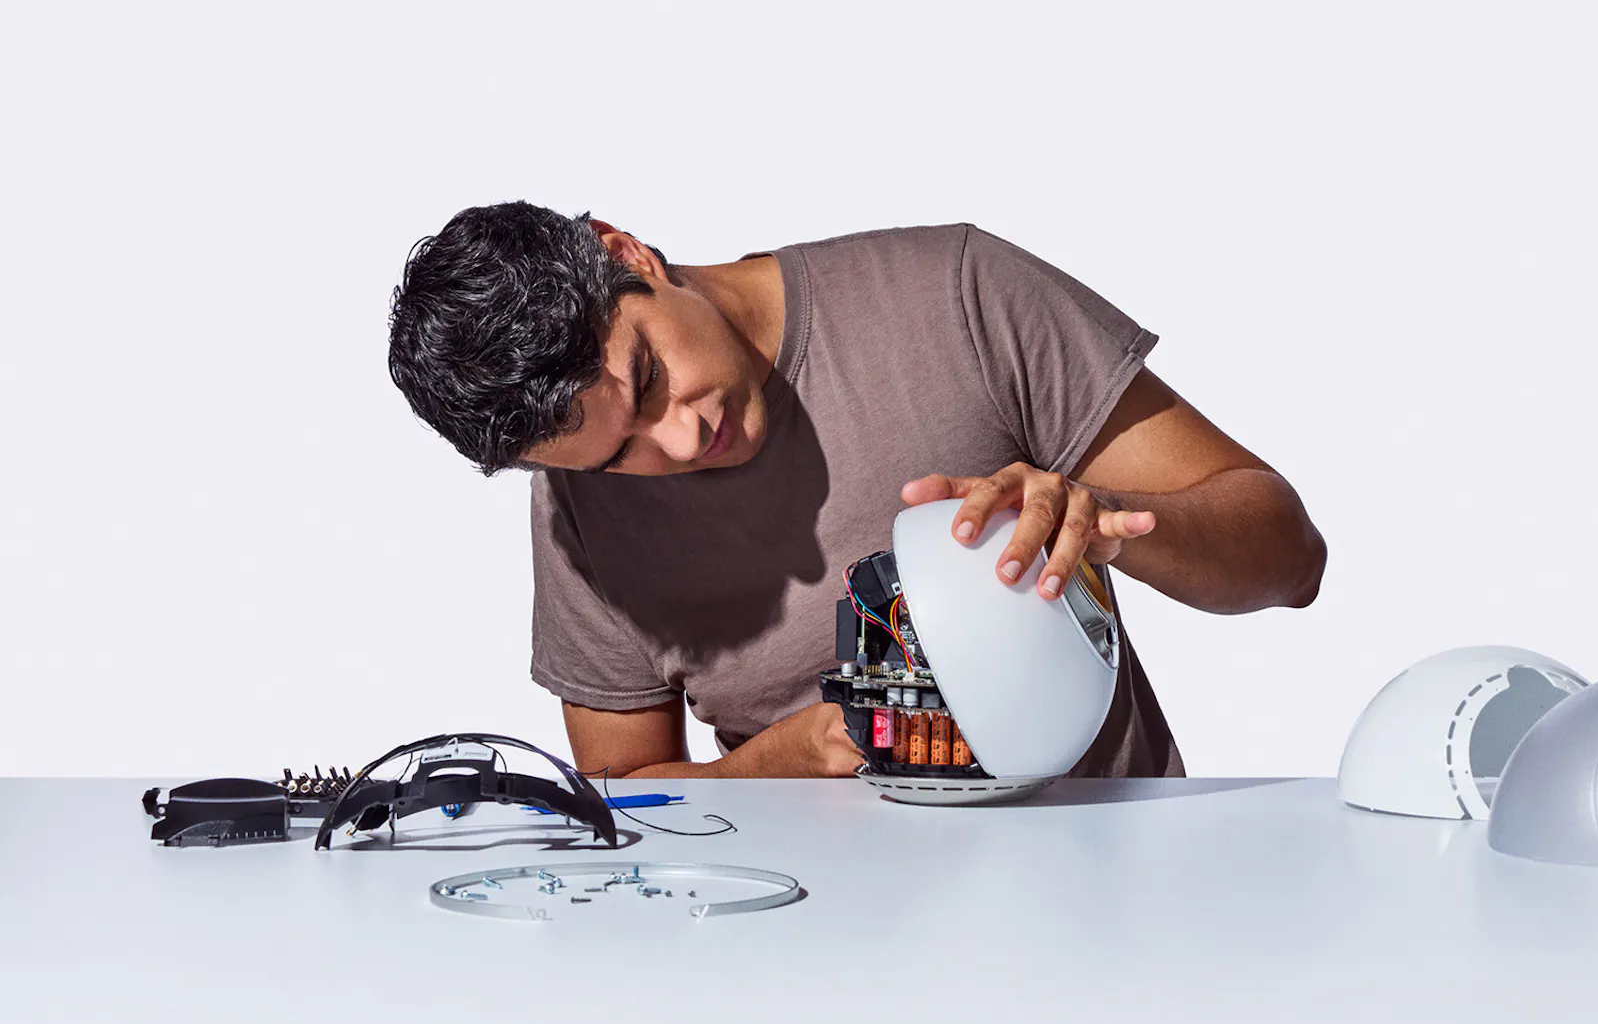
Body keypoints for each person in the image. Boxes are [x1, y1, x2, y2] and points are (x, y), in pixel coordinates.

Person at [387, 203, 1326, 780]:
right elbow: (620, 797)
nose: (678, 440)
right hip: (817, 970)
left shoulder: (954, 293)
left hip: (1115, 904)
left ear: (627, 252)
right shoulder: (577, 509)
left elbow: (1291, 560)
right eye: (615, 458)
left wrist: (1107, 526)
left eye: (646, 381)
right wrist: (772, 766)